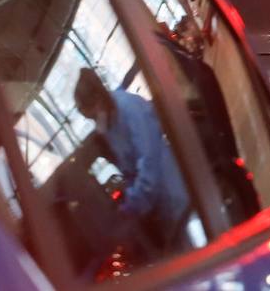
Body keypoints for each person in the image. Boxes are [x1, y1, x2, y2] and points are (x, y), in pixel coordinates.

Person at [74, 68, 192, 255]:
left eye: (93, 116)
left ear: (98, 100)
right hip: (160, 203)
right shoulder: (110, 125)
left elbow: (148, 162)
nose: (95, 121)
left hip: (172, 191)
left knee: (194, 245)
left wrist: (134, 203)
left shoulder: (130, 109)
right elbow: (128, 167)